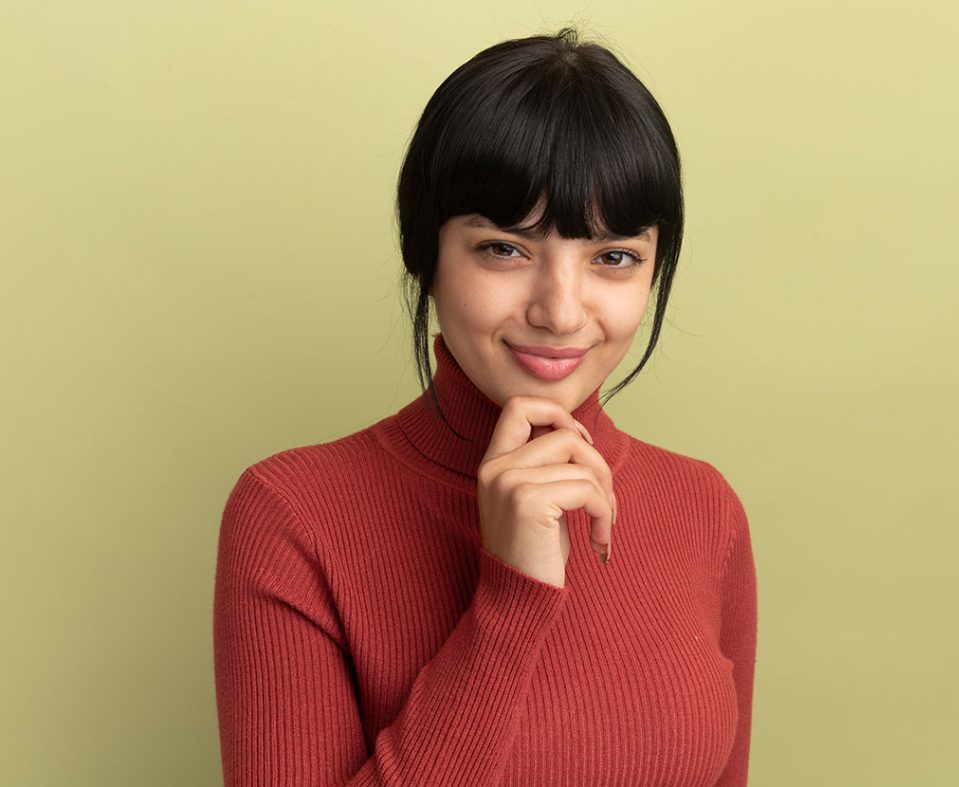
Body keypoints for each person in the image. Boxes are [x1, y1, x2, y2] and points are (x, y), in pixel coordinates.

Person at [213, 27, 757, 786]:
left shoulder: (705, 510)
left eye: (614, 257)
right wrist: (510, 601)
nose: (561, 311)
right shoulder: (291, 516)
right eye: (506, 247)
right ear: (425, 253)